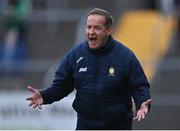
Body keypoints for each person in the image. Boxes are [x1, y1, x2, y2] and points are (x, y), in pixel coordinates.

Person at [26, 8, 152, 130]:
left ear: (109, 30)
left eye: (97, 28)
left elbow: (139, 85)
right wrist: (45, 96)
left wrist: (142, 102)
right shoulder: (76, 55)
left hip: (117, 126)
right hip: (85, 126)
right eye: (89, 27)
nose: (91, 32)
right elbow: (62, 86)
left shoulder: (124, 56)